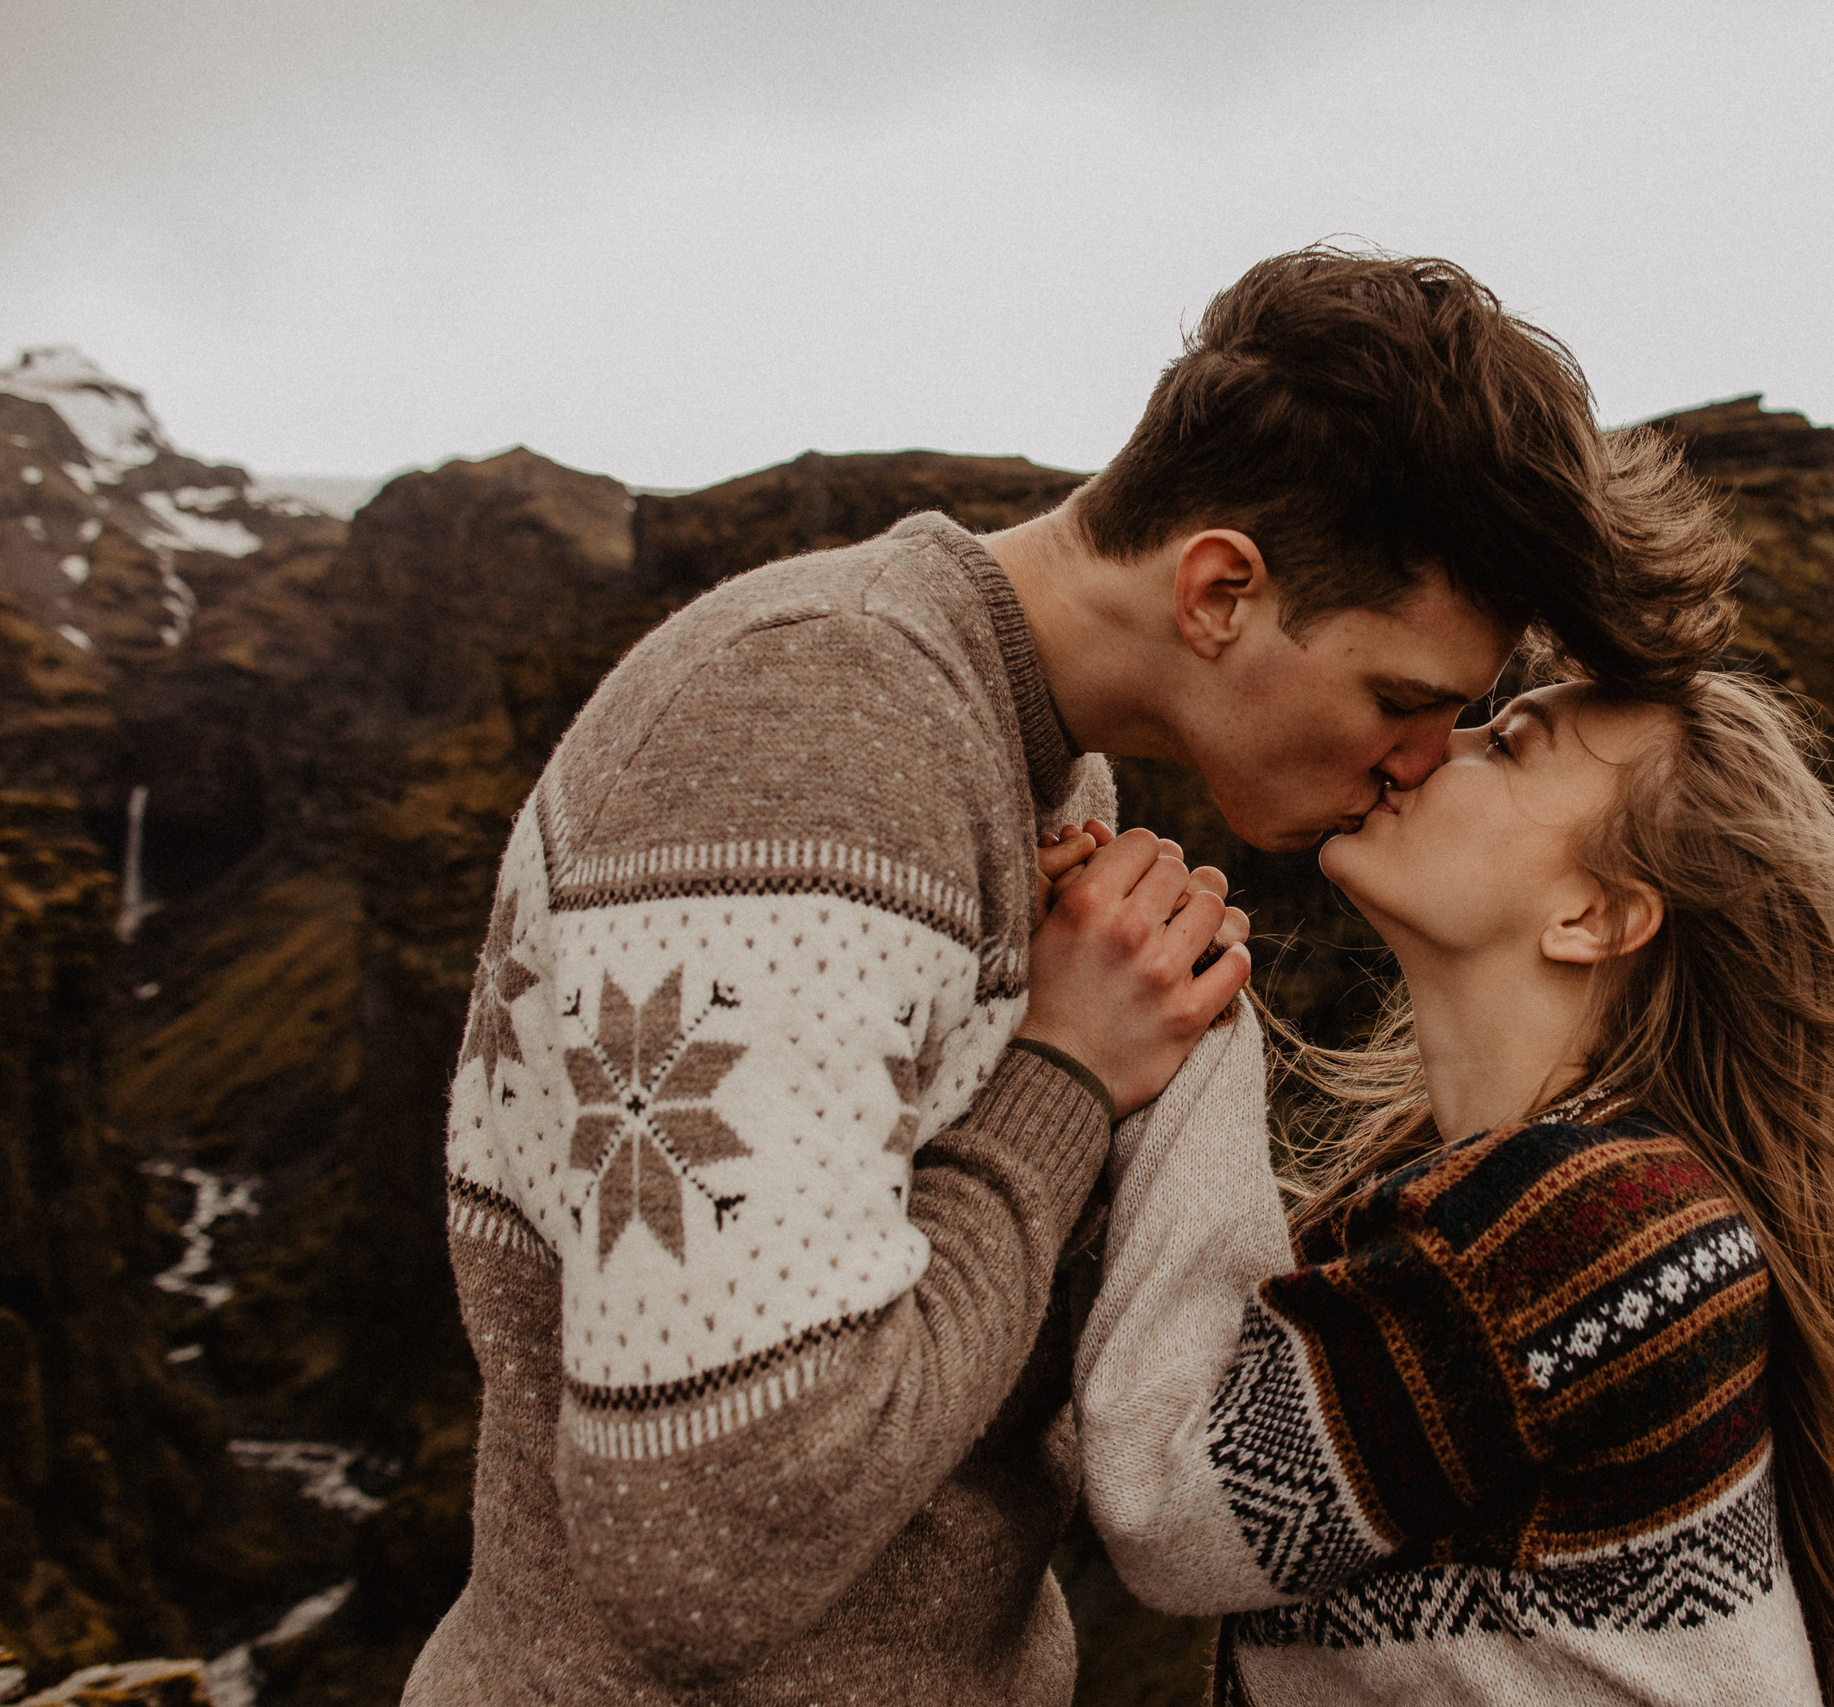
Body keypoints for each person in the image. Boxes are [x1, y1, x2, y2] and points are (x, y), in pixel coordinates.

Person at [407, 247, 1732, 1704]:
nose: (1423, 758)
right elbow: (710, 1537)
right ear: (1221, 588)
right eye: (1402, 698)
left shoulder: (1032, 775)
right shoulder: (813, 737)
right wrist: (1066, 1076)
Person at [1072, 668, 1834, 1706]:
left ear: (1595, 915)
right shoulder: (1527, 1206)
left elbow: (1173, 1504)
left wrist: (1185, 1013)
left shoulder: (1594, 1227)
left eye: (1510, 742)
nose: (1441, 745)